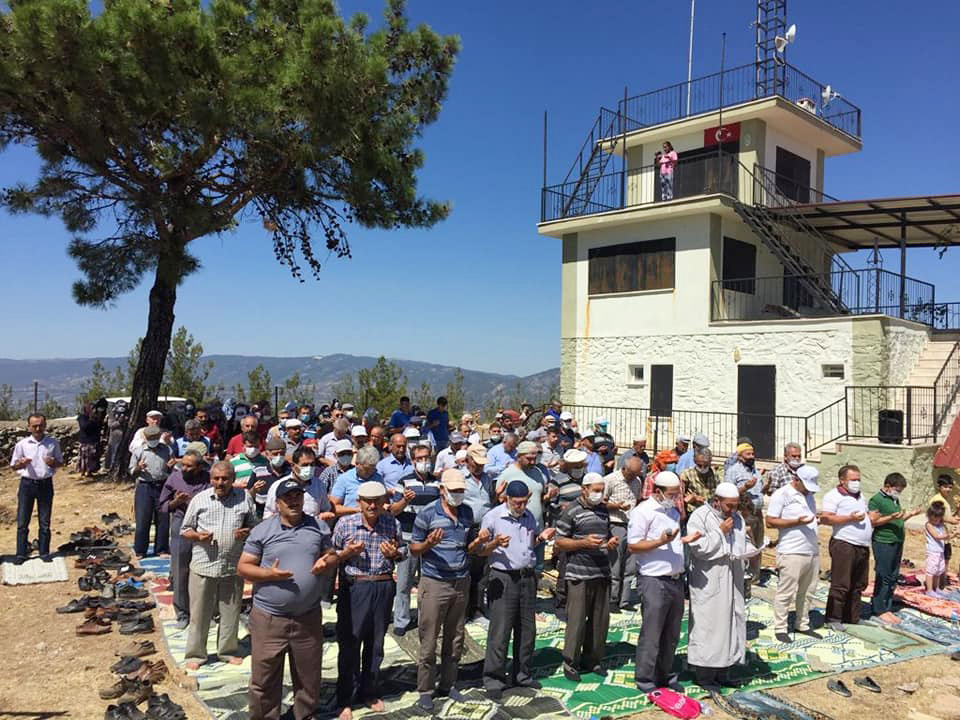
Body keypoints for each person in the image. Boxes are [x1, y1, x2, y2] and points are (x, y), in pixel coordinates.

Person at [239, 479, 340, 720]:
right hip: (270, 618)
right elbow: (243, 567)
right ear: (278, 503)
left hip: (307, 617)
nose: (294, 501)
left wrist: (327, 562)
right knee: (264, 677)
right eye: (288, 498)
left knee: (308, 675)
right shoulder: (263, 530)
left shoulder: (318, 527)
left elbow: (332, 555)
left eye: (298, 496)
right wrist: (268, 574)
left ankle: (304, 715)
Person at [410, 469, 488, 712]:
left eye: (460, 491)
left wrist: (478, 543)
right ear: (442, 490)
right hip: (435, 582)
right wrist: (428, 544)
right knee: (429, 639)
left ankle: (448, 683)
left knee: (456, 637)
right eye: (453, 491)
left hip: (461, 581)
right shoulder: (427, 514)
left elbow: (469, 546)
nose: (457, 495)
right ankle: (425, 689)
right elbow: (414, 548)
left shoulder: (466, 512)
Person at [332, 481, 405, 720]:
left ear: (384, 502)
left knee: (376, 642)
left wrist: (394, 554)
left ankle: (370, 691)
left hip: (383, 585)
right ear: (359, 502)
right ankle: (346, 698)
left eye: (377, 501)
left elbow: (402, 552)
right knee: (351, 642)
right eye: (367, 501)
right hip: (356, 587)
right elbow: (331, 555)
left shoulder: (391, 523)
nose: (372, 506)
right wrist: (347, 554)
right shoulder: (346, 523)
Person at [479, 480, 555, 700]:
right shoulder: (494, 517)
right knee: (500, 631)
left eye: (524, 502)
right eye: (517, 502)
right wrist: (494, 544)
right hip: (503, 578)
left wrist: (541, 538)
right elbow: (480, 549)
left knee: (527, 629)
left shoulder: (529, 516)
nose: (521, 506)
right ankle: (493, 678)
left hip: (526, 577)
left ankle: (521, 674)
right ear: (507, 499)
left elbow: (529, 541)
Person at [180, 461, 257, 670]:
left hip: (232, 565)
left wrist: (246, 532)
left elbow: (254, 525)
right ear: (211, 479)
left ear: (232, 479)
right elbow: (185, 530)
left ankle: (227, 651)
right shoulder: (200, 500)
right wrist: (198, 536)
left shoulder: (244, 499)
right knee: (200, 613)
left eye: (225, 479)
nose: (220, 482)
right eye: (216, 478)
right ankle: (196, 654)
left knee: (231, 612)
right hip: (204, 565)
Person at [629, 470, 689, 692]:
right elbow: (633, 546)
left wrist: (683, 540)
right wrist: (659, 541)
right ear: (658, 491)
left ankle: (665, 674)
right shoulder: (642, 512)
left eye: (677, 494)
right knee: (652, 632)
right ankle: (645, 678)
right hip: (654, 579)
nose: (675, 498)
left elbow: (671, 542)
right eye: (671, 494)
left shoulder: (672, 511)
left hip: (674, 579)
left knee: (672, 632)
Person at [555, 473, 618, 682]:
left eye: (602, 490)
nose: (599, 494)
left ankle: (593, 659)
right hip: (579, 573)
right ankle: (570, 662)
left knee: (600, 620)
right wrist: (583, 544)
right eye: (596, 490)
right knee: (577, 620)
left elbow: (606, 534)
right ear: (585, 489)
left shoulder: (602, 510)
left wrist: (610, 542)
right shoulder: (571, 511)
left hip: (601, 571)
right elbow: (560, 542)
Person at [686, 482, 748, 688]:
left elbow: (741, 541)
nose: (733, 510)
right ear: (716, 501)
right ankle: (705, 676)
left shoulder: (736, 517)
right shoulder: (700, 516)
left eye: (736, 505)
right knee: (710, 626)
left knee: (731, 622)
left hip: (733, 577)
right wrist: (720, 532)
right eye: (729, 505)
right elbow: (698, 548)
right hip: (710, 580)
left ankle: (724, 671)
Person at [766, 465, 821, 643]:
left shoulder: (809, 495)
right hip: (791, 550)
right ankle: (781, 627)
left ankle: (802, 623)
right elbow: (770, 521)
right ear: (796, 480)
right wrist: (795, 522)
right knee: (786, 591)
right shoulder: (782, 494)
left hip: (811, 549)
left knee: (808, 590)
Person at [159, 449, 211, 629]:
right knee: (181, 568)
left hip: (205, 524)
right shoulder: (175, 478)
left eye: (190, 466)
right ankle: (182, 612)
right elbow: (164, 506)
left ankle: (204, 610)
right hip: (182, 523)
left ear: (199, 467)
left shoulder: (209, 478)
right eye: (184, 465)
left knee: (205, 569)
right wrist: (177, 502)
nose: (185, 468)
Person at [820, 464, 872, 630]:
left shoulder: (860, 496)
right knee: (841, 583)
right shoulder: (833, 496)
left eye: (859, 479)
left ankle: (852, 617)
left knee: (858, 583)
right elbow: (826, 518)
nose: (857, 483)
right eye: (853, 480)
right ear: (842, 480)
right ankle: (833, 618)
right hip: (844, 543)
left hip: (861, 546)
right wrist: (849, 518)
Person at [390, 441, 433, 636]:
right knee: (404, 583)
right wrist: (405, 500)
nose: (424, 462)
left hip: (430, 542)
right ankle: (401, 620)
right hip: (408, 539)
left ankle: (426, 618)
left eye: (427, 458)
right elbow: (393, 510)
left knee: (428, 584)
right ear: (413, 461)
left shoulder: (437, 483)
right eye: (420, 459)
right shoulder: (404, 482)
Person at [10, 413, 63, 563]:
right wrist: (22, 464)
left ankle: (44, 552)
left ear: (45, 425)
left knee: (45, 521)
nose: (38, 428)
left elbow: (60, 462)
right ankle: (20, 554)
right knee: (22, 521)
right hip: (27, 484)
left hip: (45, 484)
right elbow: (14, 466)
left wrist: (53, 462)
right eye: (34, 426)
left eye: (40, 425)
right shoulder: (22, 444)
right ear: (29, 427)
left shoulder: (52, 443)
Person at [869, 473, 923, 620]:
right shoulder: (877, 500)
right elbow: (874, 521)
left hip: (897, 541)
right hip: (884, 542)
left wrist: (911, 514)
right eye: (897, 490)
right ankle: (879, 608)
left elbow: (898, 519)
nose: (899, 493)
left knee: (893, 576)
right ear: (888, 486)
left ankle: (887, 605)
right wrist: (891, 517)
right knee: (884, 574)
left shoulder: (894, 500)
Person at [496, 440, 555, 574]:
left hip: (537, 527)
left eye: (535, 458)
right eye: (529, 459)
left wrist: (549, 493)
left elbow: (543, 492)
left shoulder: (538, 472)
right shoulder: (507, 474)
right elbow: (500, 500)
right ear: (519, 456)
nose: (533, 462)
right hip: (517, 530)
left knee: (537, 569)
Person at [549, 448, 588, 617]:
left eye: (581, 465)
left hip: (585, 531)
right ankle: (561, 603)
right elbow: (551, 505)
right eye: (576, 465)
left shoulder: (587, 480)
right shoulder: (558, 481)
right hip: (566, 532)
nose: (579, 468)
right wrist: (561, 507)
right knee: (565, 568)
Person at [604, 455, 644, 611]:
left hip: (632, 526)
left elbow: (638, 500)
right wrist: (616, 506)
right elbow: (601, 502)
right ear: (625, 469)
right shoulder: (610, 480)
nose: (634, 477)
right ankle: (613, 599)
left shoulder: (637, 481)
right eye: (632, 473)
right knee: (615, 564)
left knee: (630, 565)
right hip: (616, 524)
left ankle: (625, 600)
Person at [129, 425, 174, 558]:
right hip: (144, 486)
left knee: (163, 518)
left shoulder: (166, 449)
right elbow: (131, 471)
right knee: (143, 519)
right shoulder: (139, 451)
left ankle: (162, 549)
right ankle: (140, 550)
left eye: (155, 438)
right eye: (151, 438)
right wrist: (139, 467)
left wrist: (170, 466)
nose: (153, 440)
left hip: (162, 486)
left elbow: (171, 467)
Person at [462, 443, 495, 618]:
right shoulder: (460, 477)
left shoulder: (487, 479)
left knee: (483, 570)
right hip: (466, 529)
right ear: (468, 461)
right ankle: (464, 608)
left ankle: (477, 606)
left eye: (482, 464)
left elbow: (491, 500)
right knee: (466, 569)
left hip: (484, 530)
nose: (480, 467)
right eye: (477, 463)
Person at [727, 442, 764, 581]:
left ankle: (755, 576)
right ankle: (742, 574)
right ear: (740, 456)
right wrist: (744, 487)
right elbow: (728, 493)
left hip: (757, 513)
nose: (751, 456)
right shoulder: (733, 471)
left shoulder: (755, 471)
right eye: (748, 454)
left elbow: (759, 490)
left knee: (758, 544)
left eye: (753, 454)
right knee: (746, 544)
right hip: (743, 513)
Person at [330, 446, 386, 517]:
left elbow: (384, 501)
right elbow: (333, 508)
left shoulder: (378, 478)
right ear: (357, 464)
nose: (369, 472)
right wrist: (356, 510)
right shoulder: (344, 479)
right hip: (350, 523)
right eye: (366, 469)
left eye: (372, 469)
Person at [931, 475, 959, 587]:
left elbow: (946, 516)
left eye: (950, 487)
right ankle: (937, 585)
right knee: (939, 561)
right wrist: (951, 520)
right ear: (939, 487)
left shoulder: (944, 500)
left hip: (945, 535)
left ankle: (942, 583)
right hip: (938, 534)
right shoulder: (937, 500)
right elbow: (934, 516)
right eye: (945, 487)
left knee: (946, 558)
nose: (948, 489)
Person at [925, 502, 951, 598]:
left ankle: (936, 588)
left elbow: (945, 533)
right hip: (932, 551)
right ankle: (929, 590)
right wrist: (945, 536)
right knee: (931, 571)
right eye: (934, 516)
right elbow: (936, 536)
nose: (936, 519)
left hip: (940, 551)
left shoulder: (941, 525)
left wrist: (951, 534)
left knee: (939, 570)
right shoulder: (929, 525)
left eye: (938, 517)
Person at [680, 448, 717, 515]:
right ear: (695, 462)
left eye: (705, 465)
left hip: (710, 511)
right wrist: (693, 498)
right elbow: (680, 495)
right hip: (693, 511)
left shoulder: (714, 474)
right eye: (699, 465)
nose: (702, 468)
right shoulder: (686, 474)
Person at [76, 400, 106, 477]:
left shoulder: (96, 417)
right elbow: (84, 427)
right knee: (85, 458)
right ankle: (83, 471)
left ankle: (90, 471)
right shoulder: (82, 417)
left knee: (92, 458)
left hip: (94, 441)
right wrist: (91, 420)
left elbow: (100, 426)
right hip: (85, 441)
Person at [104, 400, 129, 471]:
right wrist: (119, 422)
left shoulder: (127, 414)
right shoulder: (112, 414)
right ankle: (111, 467)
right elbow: (110, 425)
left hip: (125, 436)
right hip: (114, 437)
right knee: (113, 452)